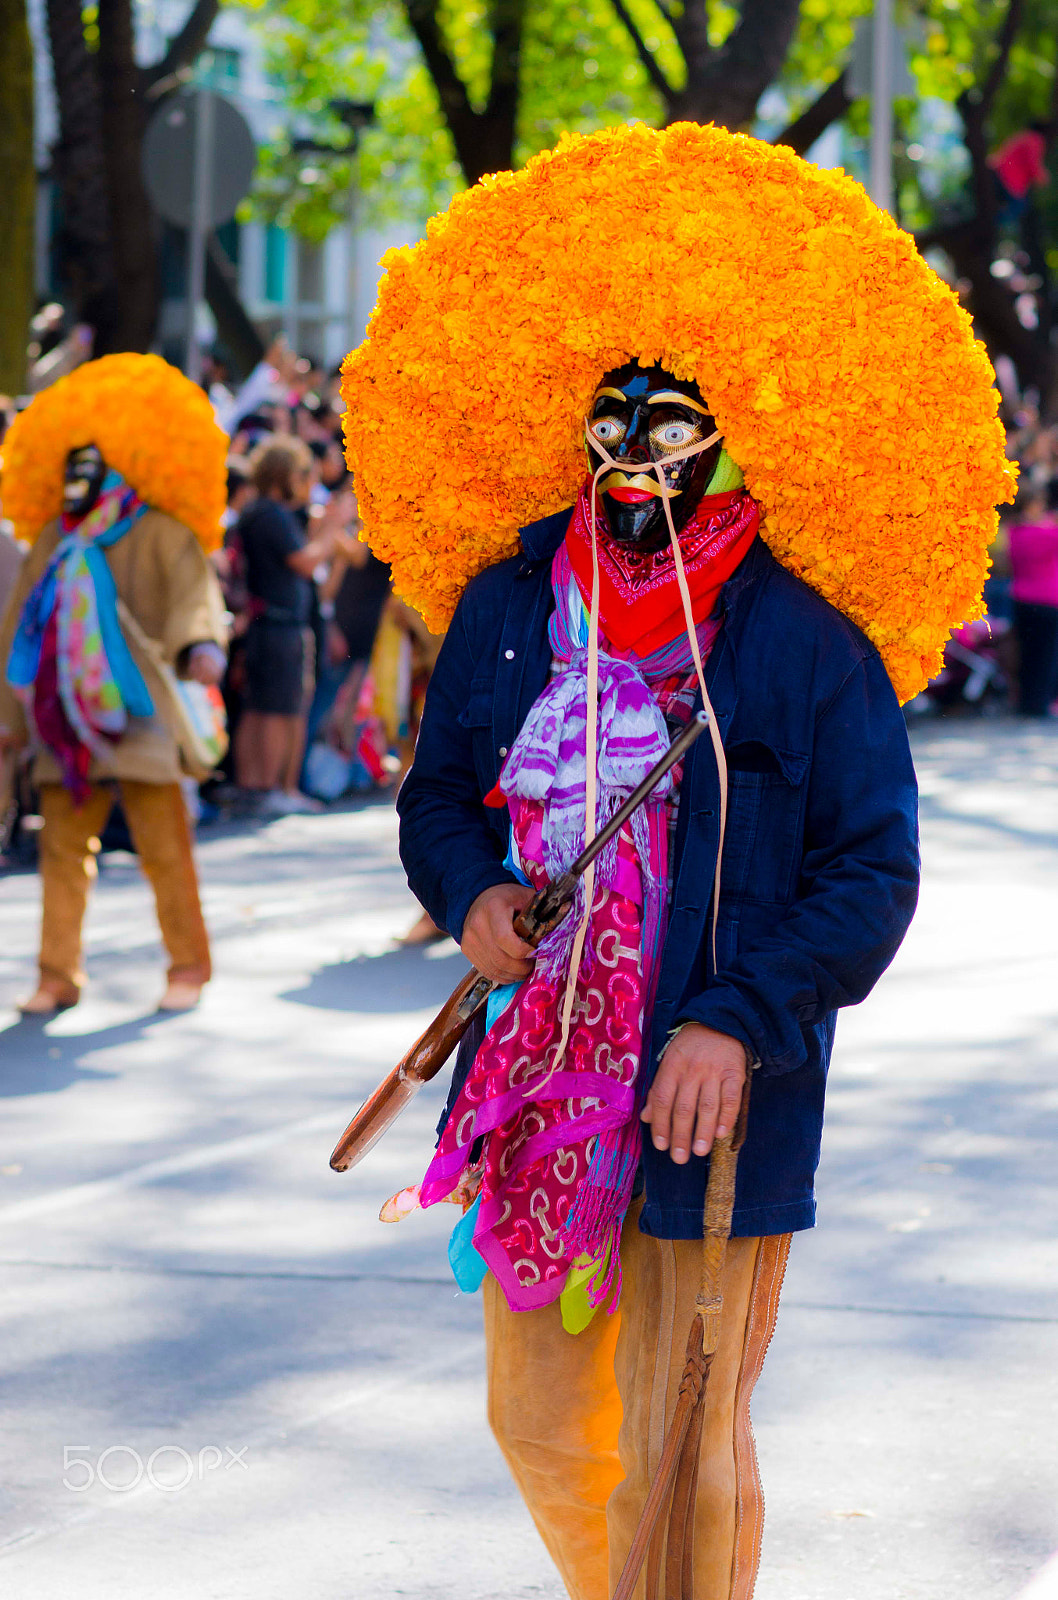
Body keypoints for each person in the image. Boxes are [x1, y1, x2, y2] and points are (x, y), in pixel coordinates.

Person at [341, 123, 1014, 1600]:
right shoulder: (508, 604)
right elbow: (438, 795)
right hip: (536, 1090)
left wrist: (733, 1017)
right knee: (536, 1425)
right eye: (607, 413)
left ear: (730, 433)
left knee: (688, 1452)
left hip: (714, 1100)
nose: (626, 447)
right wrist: (469, 895)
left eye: (662, 419)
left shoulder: (802, 644)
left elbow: (868, 875)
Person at [0, 354, 229, 1013]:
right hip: (63, 720)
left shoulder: (162, 532)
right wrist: (12, 723)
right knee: (62, 852)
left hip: (142, 714)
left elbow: (194, 599)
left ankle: (189, 966)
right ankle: (56, 974)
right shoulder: (51, 539)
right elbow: (22, 629)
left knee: (164, 846)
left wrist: (201, 647)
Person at [233, 436, 342, 813]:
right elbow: (306, 562)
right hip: (280, 626)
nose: (305, 481)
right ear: (283, 474)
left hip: (269, 625)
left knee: (260, 707)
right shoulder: (272, 515)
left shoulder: (258, 512)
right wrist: (334, 527)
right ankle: (272, 789)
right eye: (300, 473)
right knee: (281, 709)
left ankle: (254, 788)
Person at [1008, 481, 1058, 717]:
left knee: (1027, 656)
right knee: (1046, 657)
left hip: (1021, 600)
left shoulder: (1014, 533)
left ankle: (1026, 703)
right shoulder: (1047, 534)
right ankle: (1040, 704)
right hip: (1048, 602)